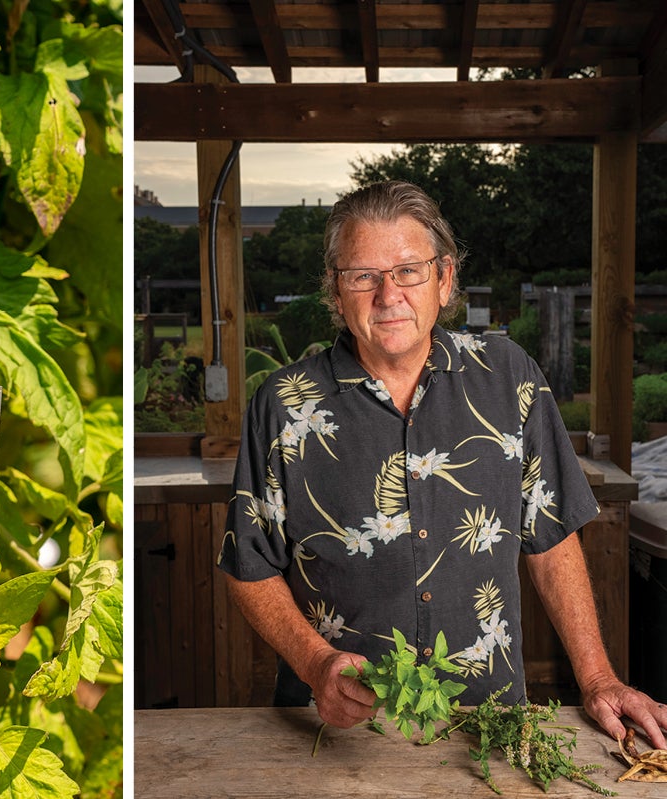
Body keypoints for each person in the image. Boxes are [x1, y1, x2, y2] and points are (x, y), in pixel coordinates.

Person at [218, 180, 667, 748]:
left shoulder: (509, 377)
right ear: (335, 291)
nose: (388, 294)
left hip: (491, 727)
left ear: (444, 279)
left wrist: (599, 679)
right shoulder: (283, 405)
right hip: (337, 730)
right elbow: (249, 566)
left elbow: (551, 541)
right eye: (362, 275)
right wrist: (315, 665)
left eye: (408, 270)